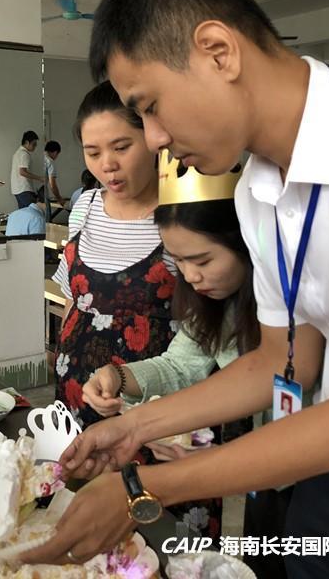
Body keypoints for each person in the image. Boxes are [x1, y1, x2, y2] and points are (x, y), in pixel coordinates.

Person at [23, 0, 329, 575]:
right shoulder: (257, 191)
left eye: (150, 106)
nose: (155, 138)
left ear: (219, 52)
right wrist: (135, 427)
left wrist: (143, 488)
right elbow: (281, 361)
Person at [82, 165, 265, 545]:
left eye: (202, 261)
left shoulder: (287, 309)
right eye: (178, 261)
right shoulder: (217, 304)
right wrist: (118, 376)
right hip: (264, 476)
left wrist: (219, 461)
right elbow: (180, 365)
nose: (191, 276)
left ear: (245, 242)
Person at [52, 80, 178, 429]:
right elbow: (72, 300)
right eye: (93, 153)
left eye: (121, 147)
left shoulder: (180, 214)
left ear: (153, 138)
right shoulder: (85, 206)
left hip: (146, 407)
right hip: (73, 394)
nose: (107, 165)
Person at [9, 130, 43, 208]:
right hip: (24, 189)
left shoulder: (17, 153)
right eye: (34, 144)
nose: (35, 147)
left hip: (17, 189)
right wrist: (40, 178)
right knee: (32, 211)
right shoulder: (24, 154)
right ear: (27, 142)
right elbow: (22, 172)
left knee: (24, 212)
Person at [37, 140, 64, 212]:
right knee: (45, 214)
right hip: (40, 191)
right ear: (55, 152)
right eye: (57, 154)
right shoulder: (50, 161)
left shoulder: (39, 157)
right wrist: (59, 199)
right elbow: (53, 184)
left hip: (31, 189)